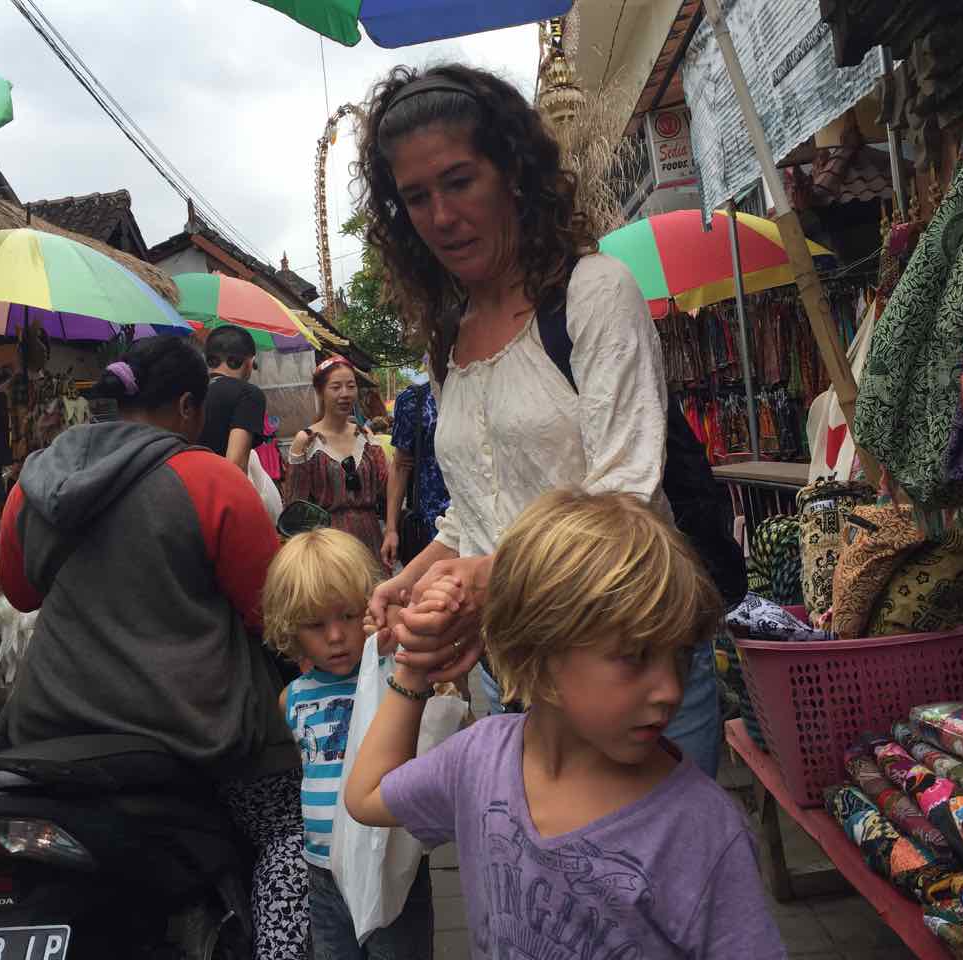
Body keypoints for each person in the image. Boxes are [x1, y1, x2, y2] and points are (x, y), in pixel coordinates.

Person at [358, 64, 723, 775]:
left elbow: (627, 498)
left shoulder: (593, 294)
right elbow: (476, 513)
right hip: (517, 675)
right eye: (417, 198)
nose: (441, 216)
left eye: (459, 181)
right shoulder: (448, 337)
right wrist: (416, 574)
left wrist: (486, 580)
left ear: (514, 174)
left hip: (630, 664)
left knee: (658, 847)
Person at [346, 491, 785, 959]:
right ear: (538, 654)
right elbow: (366, 797)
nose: (670, 690)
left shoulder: (701, 830)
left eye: (680, 655)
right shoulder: (480, 761)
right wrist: (414, 665)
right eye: (635, 656)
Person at [0, 337, 309, 960]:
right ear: (188, 405)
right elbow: (273, 613)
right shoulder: (208, 478)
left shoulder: (37, 480)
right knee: (289, 833)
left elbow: (20, 593)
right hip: (195, 731)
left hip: (50, 729)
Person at [263, 528, 432, 960]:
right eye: (315, 624)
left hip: (387, 865)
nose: (336, 636)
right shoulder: (292, 699)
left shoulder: (389, 680)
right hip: (322, 869)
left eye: (348, 616)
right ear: (291, 628)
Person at [287, 357, 389, 560]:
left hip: (370, 540)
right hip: (329, 548)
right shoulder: (306, 441)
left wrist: (392, 528)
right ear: (320, 392)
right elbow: (296, 504)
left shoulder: (365, 436)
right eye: (336, 387)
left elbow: (386, 486)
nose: (345, 394)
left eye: (351, 386)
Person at [382, 381, 449, 571]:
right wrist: (391, 529)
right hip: (431, 526)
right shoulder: (415, 400)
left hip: (488, 518)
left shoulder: (487, 388)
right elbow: (400, 465)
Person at [199, 325, 266, 474]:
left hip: (182, 482)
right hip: (218, 484)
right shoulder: (248, 394)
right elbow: (236, 464)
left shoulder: (190, 392)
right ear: (250, 362)